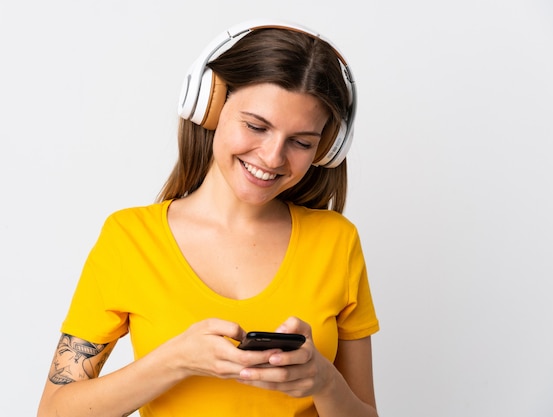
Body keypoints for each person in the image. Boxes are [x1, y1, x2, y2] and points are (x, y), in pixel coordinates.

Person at [37, 19, 380, 417]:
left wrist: (323, 380)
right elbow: (54, 411)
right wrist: (175, 361)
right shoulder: (129, 238)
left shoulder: (337, 241)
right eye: (256, 126)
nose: (272, 158)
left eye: (301, 142)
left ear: (326, 149)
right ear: (210, 107)